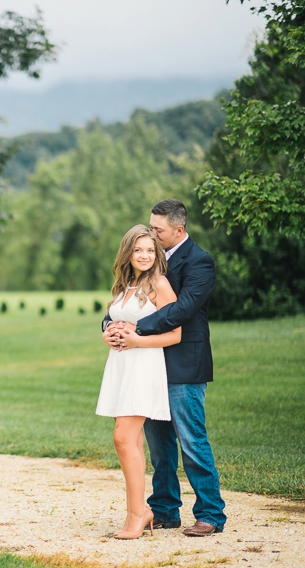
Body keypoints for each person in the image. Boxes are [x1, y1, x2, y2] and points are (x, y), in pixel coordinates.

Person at [103, 199, 227, 537]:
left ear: (179, 229)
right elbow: (125, 303)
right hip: (147, 366)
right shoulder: (148, 262)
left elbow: (182, 309)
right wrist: (111, 327)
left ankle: (210, 514)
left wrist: (136, 330)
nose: (152, 236)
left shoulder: (199, 262)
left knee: (191, 440)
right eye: (151, 228)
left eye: (158, 230)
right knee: (159, 446)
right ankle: (165, 510)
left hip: (183, 362)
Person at [96, 225, 180, 540]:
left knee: (122, 438)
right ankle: (138, 511)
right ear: (128, 253)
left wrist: (135, 341)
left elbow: (176, 334)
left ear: (156, 254)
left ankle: (139, 513)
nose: (144, 255)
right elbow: (113, 321)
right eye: (138, 250)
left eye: (149, 250)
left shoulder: (159, 284)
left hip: (144, 365)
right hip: (120, 366)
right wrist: (107, 334)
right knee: (130, 442)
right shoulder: (125, 284)